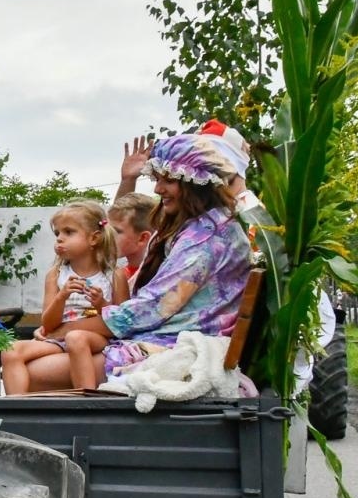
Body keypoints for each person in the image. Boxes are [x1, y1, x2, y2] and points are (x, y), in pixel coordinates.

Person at [20, 132, 251, 391]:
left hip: (172, 344)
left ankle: (86, 414)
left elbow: (150, 308)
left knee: (33, 371)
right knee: (38, 359)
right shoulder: (201, 227)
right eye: (157, 179)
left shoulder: (205, 239)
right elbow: (113, 229)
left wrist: (60, 330)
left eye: (168, 180)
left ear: (196, 182)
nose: (158, 189)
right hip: (163, 337)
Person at [0, 200, 125, 394]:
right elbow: (48, 324)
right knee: (11, 350)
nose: (59, 239)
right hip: (58, 338)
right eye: (57, 233)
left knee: (76, 338)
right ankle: (18, 406)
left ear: (94, 238)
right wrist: (62, 296)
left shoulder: (113, 275)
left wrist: (101, 304)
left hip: (96, 339)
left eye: (69, 232)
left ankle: (87, 399)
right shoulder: (56, 275)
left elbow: (122, 323)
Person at [108, 192, 158, 286]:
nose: (107, 236)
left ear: (142, 238)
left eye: (115, 231)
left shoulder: (158, 279)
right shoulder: (117, 275)